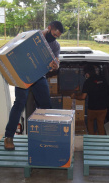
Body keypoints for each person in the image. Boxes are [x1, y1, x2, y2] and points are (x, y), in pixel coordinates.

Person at [4, 21, 64, 150]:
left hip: (38, 77)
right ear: (48, 28)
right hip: (23, 75)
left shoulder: (55, 45)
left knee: (46, 105)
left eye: (57, 36)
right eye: (54, 34)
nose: (54, 38)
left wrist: (56, 65)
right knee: (19, 103)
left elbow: (57, 61)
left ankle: (45, 136)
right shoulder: (32, 36)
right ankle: (8, 137)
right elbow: (12, 47)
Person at [71, 64, 108, 135]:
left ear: (87, 74)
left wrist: (74, 96)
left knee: (90, 123)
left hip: (93, 108)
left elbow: (83, 97)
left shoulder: (88, 82)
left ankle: (91, 139)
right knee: (100, 125)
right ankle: (101, 141)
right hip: (103, 108)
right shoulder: (103, 79)